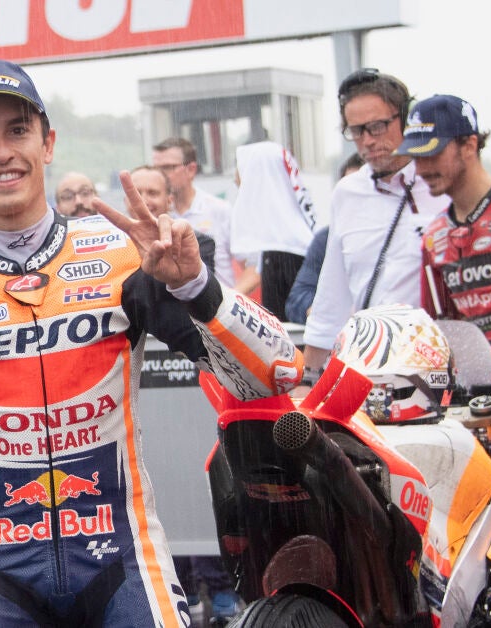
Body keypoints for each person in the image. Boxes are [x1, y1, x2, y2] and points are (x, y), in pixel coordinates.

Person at [0, 57, 301, 628]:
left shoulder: (129, 256)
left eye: (18, 130)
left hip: (125, 562)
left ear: (47, 143)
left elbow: (276, 374)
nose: (2, 151)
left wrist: (197, 286)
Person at [131, 165, 237, 622]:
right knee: (161, 489)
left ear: (169, 201)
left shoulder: (196, 245)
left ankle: (221, 587)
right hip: (140, 407)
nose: (147, 200)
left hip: (196, 393)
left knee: (199, 484)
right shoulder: (112, 257)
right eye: (139, 192)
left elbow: (204, 319)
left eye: (154, 192)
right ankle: (180, 589)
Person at [302, 68, 449, 377]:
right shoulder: (346, 193)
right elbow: (332, 294)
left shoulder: (441, 185)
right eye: (356, 131)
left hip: (441, 365)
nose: (367, 140)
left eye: (378, 127)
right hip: (370, 370)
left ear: (407, 120)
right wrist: (308, 377)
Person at [408, 95, 491, 350]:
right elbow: (438, 330)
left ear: (469, 145)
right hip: (477, 374)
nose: (421, 170)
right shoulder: (434, 236)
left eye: (431, 154)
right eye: (415, 157)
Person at [152, 137, 256, 295]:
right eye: (155, 169)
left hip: (217, 305)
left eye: (167, 168)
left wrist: (227, 301)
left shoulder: (219, 209)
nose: (160, 175)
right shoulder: (156, 215)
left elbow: (253, 267)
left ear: (191, 170)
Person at [230, 141, 318, 321]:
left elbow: (283, 321)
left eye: (241, 168)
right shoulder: (290, 235)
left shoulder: (282, 245)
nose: (235, 178)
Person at [285, 153, 364, 324]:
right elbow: (297, 300)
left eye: (362, 193)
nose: (354, 200)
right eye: (348, 192)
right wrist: (325, 312)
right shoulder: (326, 239)